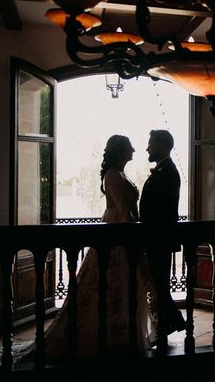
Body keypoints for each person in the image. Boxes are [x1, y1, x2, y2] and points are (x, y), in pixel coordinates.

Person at [37, 135, 157, 361]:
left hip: (122, 232)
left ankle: (122, 333)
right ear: (120, 150)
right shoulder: (113, 175)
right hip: (117, 238)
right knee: (110, 286)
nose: (133, 149)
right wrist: (136, 233)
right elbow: (123, 212)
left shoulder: (119, 174)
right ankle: (111, 336)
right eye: (128, 146)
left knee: (122, 287)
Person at [139, 129, 186, 336]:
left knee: (159, 284)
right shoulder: (163, 169)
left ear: (160, 145)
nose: (147, 147)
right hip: (157, 237)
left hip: (159, 237)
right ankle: (169, 323)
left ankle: (171, 323)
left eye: (150, 143)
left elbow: (161, 209)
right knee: (159, 285)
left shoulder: (167, 171)